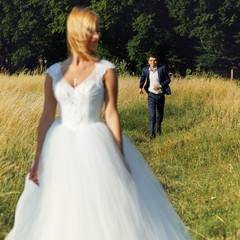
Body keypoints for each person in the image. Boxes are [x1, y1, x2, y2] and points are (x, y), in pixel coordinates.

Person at [5, 7, 192, 240]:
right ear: (77, 33)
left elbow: (111, 112)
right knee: (60, 205)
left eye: (97, 32)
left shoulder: (106, 69)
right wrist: (37, 160)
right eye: (91, 32)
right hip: (59, 146)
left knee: (100, 206)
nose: (97, 36)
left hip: (96, 145)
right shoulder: (53, 72)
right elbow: (46, 117)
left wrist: (119, 158)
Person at [139, 56, 171, 139]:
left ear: (157, 62)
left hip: (160, 95)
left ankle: (158, 128)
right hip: (151, 96)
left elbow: (168, 80)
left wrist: (160, 86)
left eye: (154, 60)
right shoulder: (145, 70)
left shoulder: (162, 69)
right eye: (151, 60)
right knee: (152, 115)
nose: (153, 62)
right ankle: (152, 135)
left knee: (160, 114)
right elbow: (143, 78)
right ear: (148, 62)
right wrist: (140, 88)